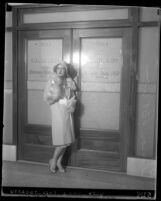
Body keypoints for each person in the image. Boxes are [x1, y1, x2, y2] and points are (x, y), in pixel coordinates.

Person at [43, 61, 77, 173]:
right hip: (57, 109)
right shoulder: (52, 80)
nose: (61, 70)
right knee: (61, 141)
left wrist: (71, 100)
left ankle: (58, 162)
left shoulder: (68, 81)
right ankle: (53, 161)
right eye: (59, 68)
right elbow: (48, 98)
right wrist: (57, 92)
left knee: (66, 141)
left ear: (65, 71)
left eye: (63, 68)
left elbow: (72, 96)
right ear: (55, 69)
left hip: (67, 110)